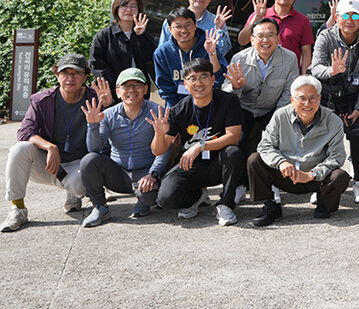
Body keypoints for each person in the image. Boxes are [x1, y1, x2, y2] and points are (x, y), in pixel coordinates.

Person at [1, 55, 110, 232]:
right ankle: (18, 208)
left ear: (85, 76)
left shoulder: (95, 98)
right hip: (48, 163)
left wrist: (109, 105)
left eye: (76, 73)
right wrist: (49, 147)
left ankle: (73, 194)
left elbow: (111, 131)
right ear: (57, 75)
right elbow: (25, 132)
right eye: (65, 73)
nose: (70, 78)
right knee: (19, 149)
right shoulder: (42, 100)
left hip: (78, 164)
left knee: (80, 185)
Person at [148, 59, 245, 226]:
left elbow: (233, 137)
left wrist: (200, 146)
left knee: (233, 153)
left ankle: (225, 204)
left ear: (213, 79)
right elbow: (158, 150)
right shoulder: (178, 110)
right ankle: (196, 197)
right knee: (165, 199)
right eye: (192, 78)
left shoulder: (228, 101)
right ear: (185, 84)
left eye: (204, 77)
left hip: (219, 163)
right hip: (191, 165)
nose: (198, 83)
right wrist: (158, 134)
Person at [246, 75, 351, 226]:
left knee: (340, 176)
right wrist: (281, 162)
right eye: (302, 98)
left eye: (312, 98)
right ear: (292, 99)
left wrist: (312, 174)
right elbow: (265, 146)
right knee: (254, 160)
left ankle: (323, 202)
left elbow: (337, 157)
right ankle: (271, 205)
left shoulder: (333, 121)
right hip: (285, 174)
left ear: (320, 98)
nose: (307, 103)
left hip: (315, 178)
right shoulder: (280, 116)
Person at [79, 68, 173, 226]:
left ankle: (143, 200)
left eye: (137, 85)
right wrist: (92, 125)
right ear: (117, 91)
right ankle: (99, 206)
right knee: (89, 160)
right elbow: (94, 149)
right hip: (118, 174)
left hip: (146, 174)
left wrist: (153, 174)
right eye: (126, 86)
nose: (131, 90)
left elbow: (165, 148)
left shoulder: (158, 112)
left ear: (145, 89)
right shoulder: (109, 115)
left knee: (149, 198)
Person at [311, 0, 359, 204]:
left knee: (358, 138)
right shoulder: (325, 37)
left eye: (355, 16)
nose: (350, 20)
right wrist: (332, 70)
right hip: (329, 94)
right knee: (324, 140)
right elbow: (315, 68)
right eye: (345, 16)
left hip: (355, 94)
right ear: (337, 17)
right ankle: (319, 182)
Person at [222, 17, 299, 151]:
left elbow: (289, 93)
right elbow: (226, 94)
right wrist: (236, 87)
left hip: (272, 109)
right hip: (244, 108)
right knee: (239, 146)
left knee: (283, 144)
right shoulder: (239, 58)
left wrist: (277, 120)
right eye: (260, 36)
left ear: (278, 39)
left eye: (270, 35)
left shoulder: (290, 58)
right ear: (252, 40)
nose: (265, 40)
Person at [237, 0, 315, 75]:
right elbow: (242, 41)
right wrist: (256, 18)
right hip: (260, 70)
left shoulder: (303, 20)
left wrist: (304, 78)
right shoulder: (260, 14)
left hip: (289, 72)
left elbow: (306, 52)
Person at [89, 0, 157, 101]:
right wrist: (119, 84)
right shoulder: (104, 35)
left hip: (138, 92)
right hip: (113, 94)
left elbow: (151, 59)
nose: (129, 10)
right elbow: (96, 64)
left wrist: (141, 36)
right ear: (116, 9)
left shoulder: (144, 35)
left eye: (133, 6)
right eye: (124, 5)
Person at [153, 8, 225, 108]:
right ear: (170, 29)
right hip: (177, 105)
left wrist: (212, 53)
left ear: (195, 25)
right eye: (178, 26)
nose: (184, 30)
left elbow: (219, 78)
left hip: (208, 103)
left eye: (188, 25)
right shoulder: (162, 52)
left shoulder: (208, 45)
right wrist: (176, 110)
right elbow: (165, 87)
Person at [159, 0, 232, 57]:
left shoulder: (217, 21)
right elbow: (163, 51)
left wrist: (219, 29)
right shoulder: (173, 20)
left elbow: (222, 52)